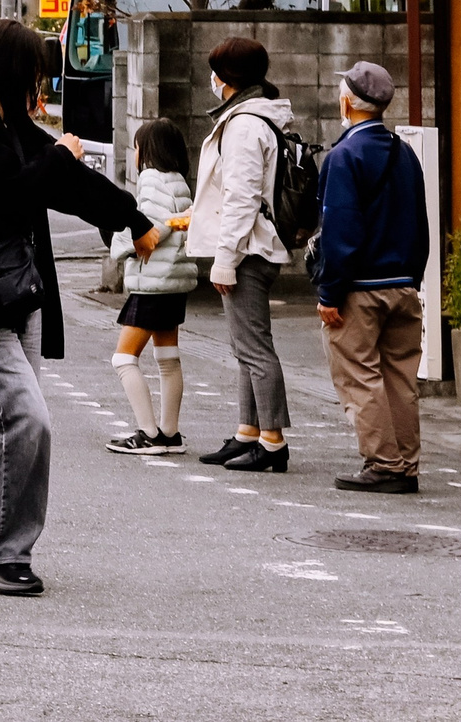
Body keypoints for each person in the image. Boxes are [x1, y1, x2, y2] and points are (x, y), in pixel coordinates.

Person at [0, 19, 159, 596]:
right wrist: (58, 155)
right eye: (34, 74)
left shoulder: (11, 126)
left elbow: (70, 185)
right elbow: (11, 195)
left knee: (1, 424)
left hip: (19, 292)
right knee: (27, 417)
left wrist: (131, 219)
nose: (40, 87)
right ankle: (4, 553)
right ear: (9, 70)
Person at [313, 61, 429, 495]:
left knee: (359, 376)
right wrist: (413, 276)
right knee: (401, 377)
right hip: (403, 282)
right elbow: (421, 221)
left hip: (359, 289)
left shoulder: (344, 156)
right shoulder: (405, 152)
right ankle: (405, 462)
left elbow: (341, 229)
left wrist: (330, 291)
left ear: (347, 102)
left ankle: (384, 463)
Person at [178, 37, 294, 473]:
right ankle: (249, 432)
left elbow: (242, 197)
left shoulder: (245, 124)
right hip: (252, 245)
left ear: (227, 78)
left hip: (248, 251)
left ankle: (273, 442)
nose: (212, 79)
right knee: (245, 348)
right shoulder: (252, 117)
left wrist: (225, 259)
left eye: (216, 71)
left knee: (255, 350)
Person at [104, 119, 198, 456]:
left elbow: (151, 230)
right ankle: (169, 434)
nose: (134, 154)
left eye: (136, 147)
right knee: (168, 358)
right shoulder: (179, 182)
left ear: (147, 152)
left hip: (152, 284)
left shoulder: (151, 180)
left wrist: (120, 243)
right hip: (172, 283)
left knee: (123, 358)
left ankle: (148, 433)